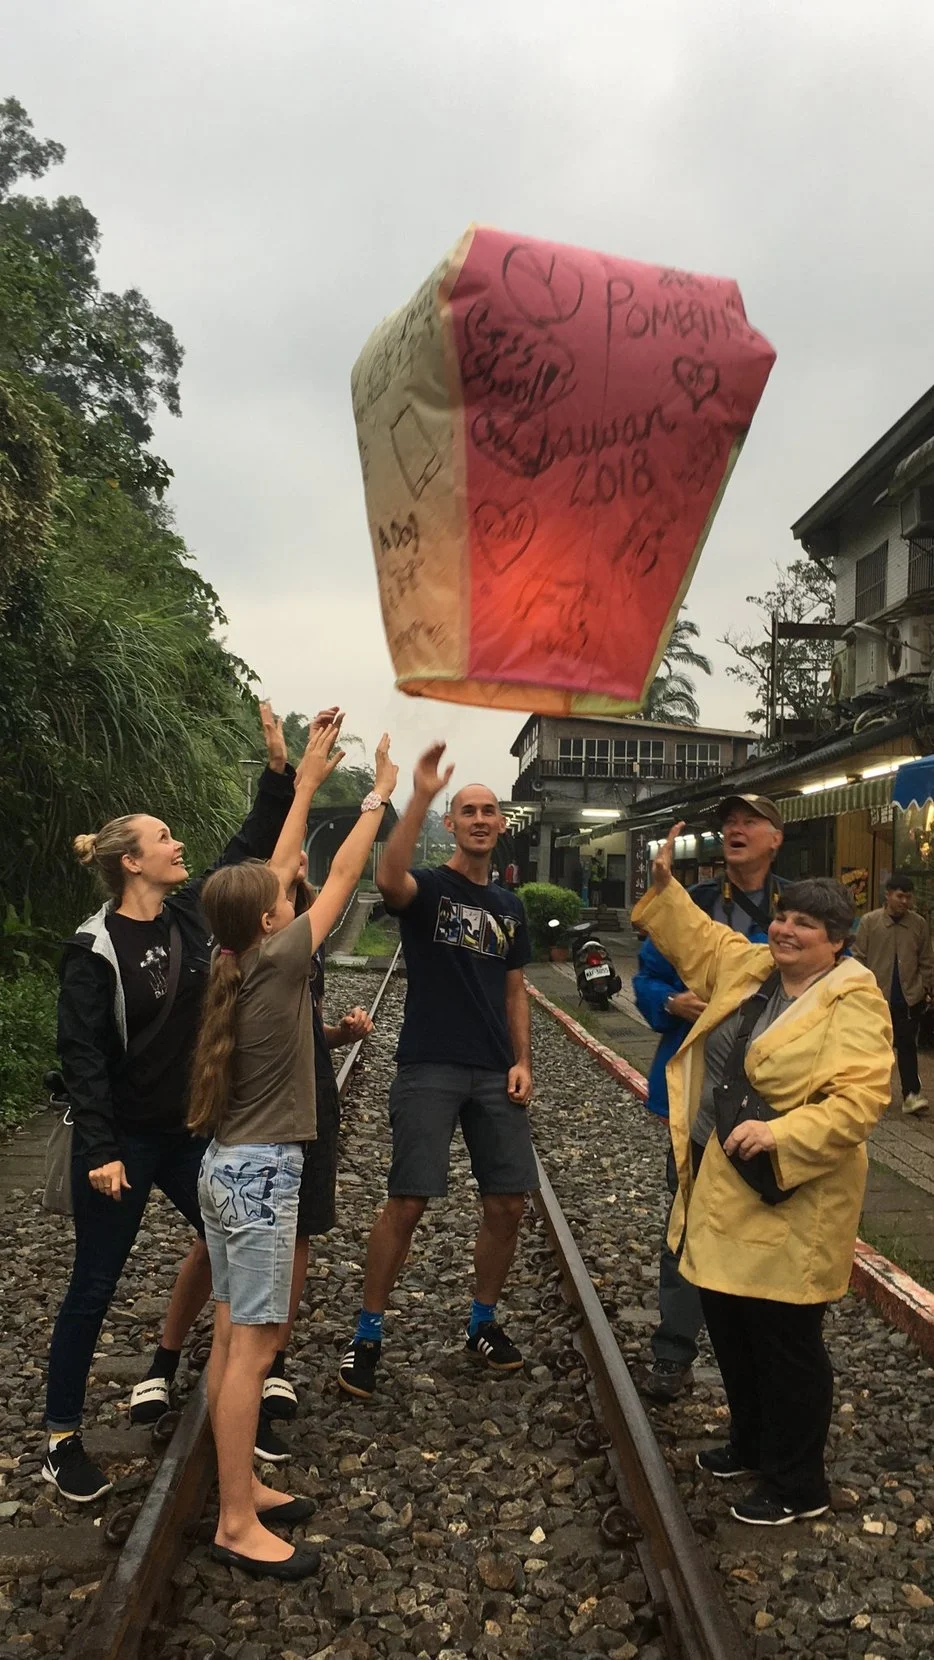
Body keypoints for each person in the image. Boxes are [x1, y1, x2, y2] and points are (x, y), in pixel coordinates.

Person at [42, 702, 305, 1504]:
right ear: (130, 862)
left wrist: (278, 767)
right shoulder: (93, 948)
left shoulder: (190, 912)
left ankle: (251, 1382)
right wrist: (100, 1151)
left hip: (190, 1135)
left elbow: (249, 845)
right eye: (162, 838)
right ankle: (60, 1438)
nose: (176, 845)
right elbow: (82, 1057)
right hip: (125, 1142)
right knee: (95, 1283)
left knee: (238, 1245)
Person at [632, 823, 892, 1526]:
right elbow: (702, 939)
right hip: (725, 1189)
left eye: (805, 923)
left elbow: (862, 1098)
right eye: (782, 917)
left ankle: (798, 1483)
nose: (785, 930)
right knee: (732, 1326)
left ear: (836, 939)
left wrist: (782, 1132)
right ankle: (749, 1443)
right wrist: (666, 886)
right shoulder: (753, 970)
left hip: (790, 1197)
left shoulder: (853, 998)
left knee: (786, 1345)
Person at [189, 724, 398, 1579]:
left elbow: (274, 869)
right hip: (265, 1175)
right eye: (282, 896)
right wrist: (376, 796)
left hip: (226, 1171)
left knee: (230, 1339)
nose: (291, 894)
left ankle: (235, 1489)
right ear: (274, 916)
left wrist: (307, 783)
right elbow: (341, 872)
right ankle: (236, 1520)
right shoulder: (279, 959)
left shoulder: (234, 956)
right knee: (253, 1350)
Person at [338, 747, 536, 1401]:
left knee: (507, 1202)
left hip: (492, 1070)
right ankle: (367, 1334)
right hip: (429, 1064)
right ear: (450, 825)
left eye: (489, 811)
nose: (480, 819)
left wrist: (523, 1061)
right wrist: (418, 795)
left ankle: (482, 1323)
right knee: (409, 1199)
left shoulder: (510, 905)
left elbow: (515, 992)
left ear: (501, 824)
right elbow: (387, 873)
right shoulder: (428, 889)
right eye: (467, 811)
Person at [633, 795, 786, 1403]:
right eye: (729, 822)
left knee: (769, 1222)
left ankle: (761, 1358)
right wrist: (671, 1004)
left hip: (773, 1101)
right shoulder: (692, 903)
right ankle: (674, 1348)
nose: (735, 830)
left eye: (750, 821)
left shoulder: (797, 907)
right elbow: (647, 978)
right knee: (687, 1218)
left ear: (776, 836)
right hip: (698, 1089)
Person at [259, 852, 375, 1441]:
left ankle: (274, 1359)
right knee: (224, 1243)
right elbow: (349, 871)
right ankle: (173, 1354)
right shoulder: (260, 936)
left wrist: (341, 1033)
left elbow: (310, 1025)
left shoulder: (306, 934)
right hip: (264, 1110)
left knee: (300, 1231)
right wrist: (373, 795)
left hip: (313, 1099)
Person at [852, 873, 934, 1116]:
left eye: (908, 897)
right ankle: (870, 1094)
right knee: (875, 1047)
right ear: (887, 895)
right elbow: (858, 956)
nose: (905, 902)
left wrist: (926, 988)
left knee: (908, 1046)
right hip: (876, 996)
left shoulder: (918, 924)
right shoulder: (869, 922)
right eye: (900, 896)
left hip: (910, 997)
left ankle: (911, 1094)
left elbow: (927, 960)